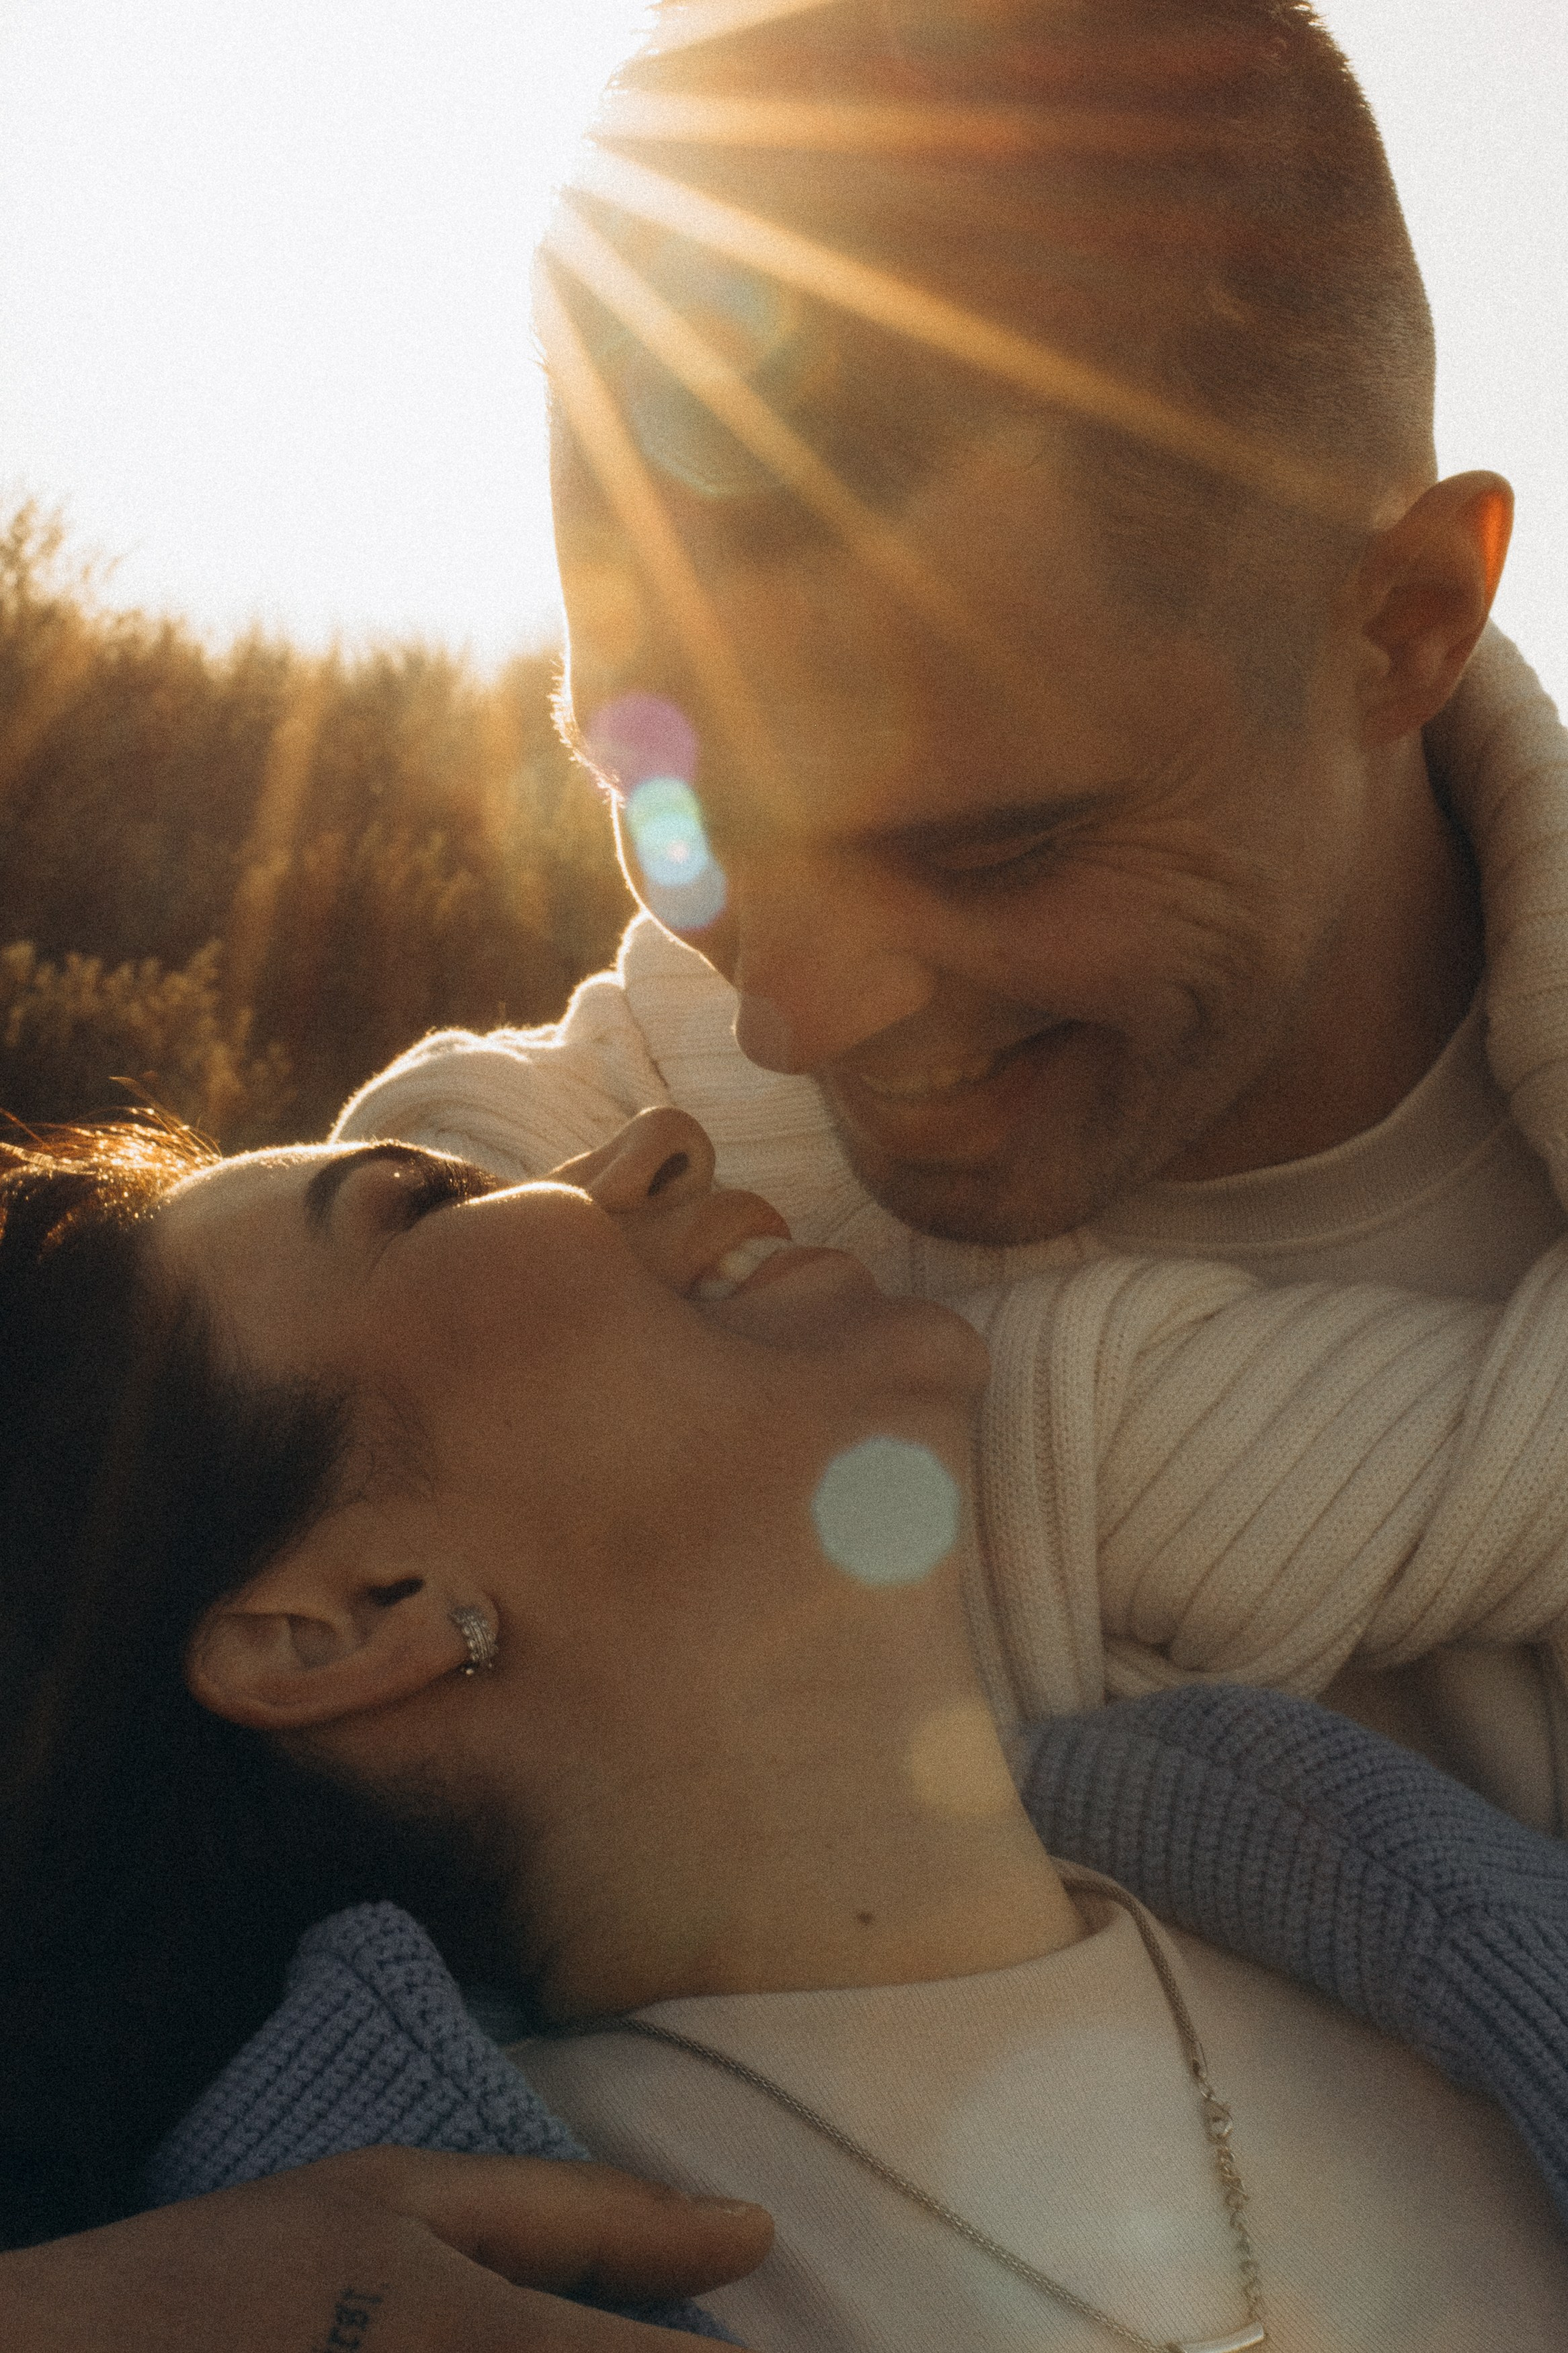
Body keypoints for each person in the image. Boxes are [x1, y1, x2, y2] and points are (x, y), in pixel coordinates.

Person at [338, 0, 1568, 1817]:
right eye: (665, 799)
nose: (789, 1023)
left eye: (993, 851)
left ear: (1395, 623)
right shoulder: (533, 1215)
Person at [5, 1113, 1568, 2351]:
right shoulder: (412, 2300)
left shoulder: (1425, 1924)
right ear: (350, 1615)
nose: (661, 1141)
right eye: (423, 1196)